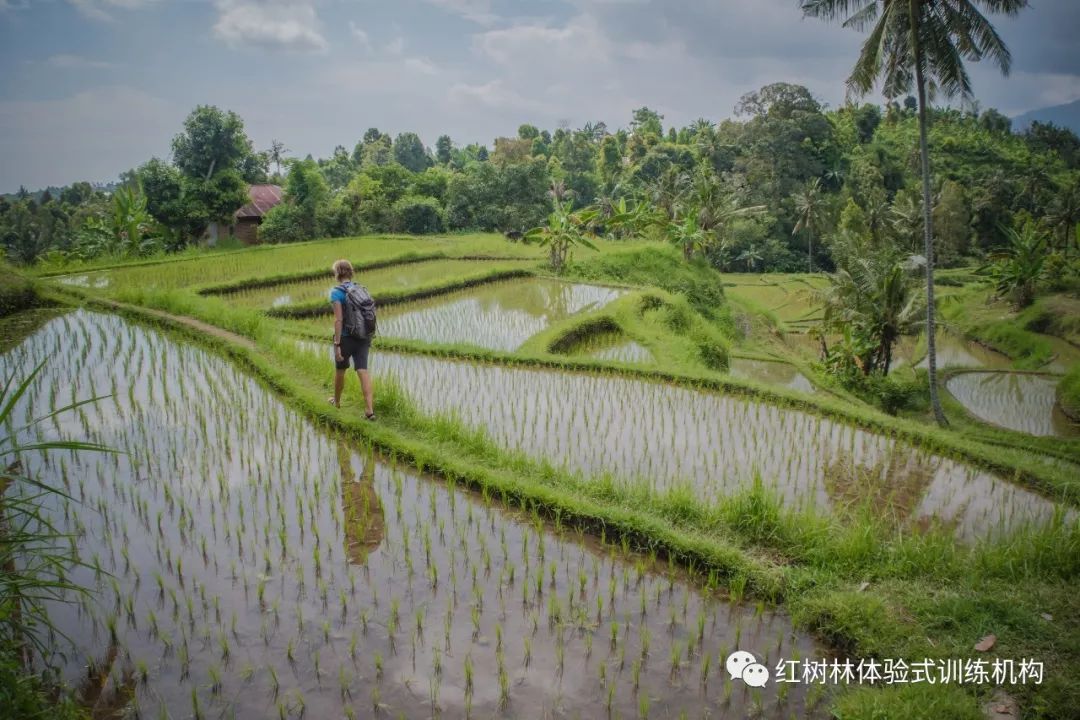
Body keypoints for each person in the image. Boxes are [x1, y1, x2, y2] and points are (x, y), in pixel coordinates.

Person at [328, 259, 375, 419]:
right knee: (363, 370)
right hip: (363, 336)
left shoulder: (336, 292)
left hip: (347, 338)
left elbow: (338, 320)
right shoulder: (360, 289)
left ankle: (337, 402)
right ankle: (369, 410)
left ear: (337, 274)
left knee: (340, 370)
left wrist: (337, 343)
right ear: (350, 272)